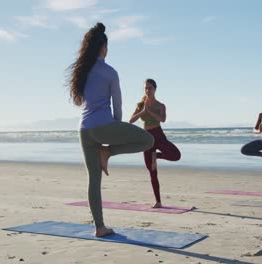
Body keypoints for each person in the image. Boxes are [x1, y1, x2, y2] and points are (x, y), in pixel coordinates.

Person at [68, 22, 154, 237]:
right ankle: (107, 153)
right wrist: (113, 135)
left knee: (93, 180)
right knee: (148, 141)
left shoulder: (81, 71)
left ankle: (99, 227)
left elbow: (79, 102)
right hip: (104, 126)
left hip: (83, 130)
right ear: (103, 47)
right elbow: (118, 107)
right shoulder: (109, 72)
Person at [129, 79, 181, 208]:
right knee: (152, 172)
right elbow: (131, 120)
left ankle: (156, 156)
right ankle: (158, 201)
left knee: (176, 155)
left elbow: (162, 119)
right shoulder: (140, 105)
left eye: (150, 88)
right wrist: (142, 111)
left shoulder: (160, 105)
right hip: (146, 139)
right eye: (146, 88)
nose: (147, 90)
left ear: (155, 89)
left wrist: (150, 112)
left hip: (158, 136)